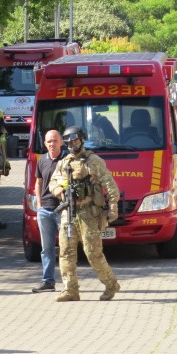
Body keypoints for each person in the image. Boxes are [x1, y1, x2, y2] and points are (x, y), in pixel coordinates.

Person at [49, 126, 121, 302]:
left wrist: (113, 208)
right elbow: (52, 183)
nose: (72, 145)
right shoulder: (64, 162)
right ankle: (70, 290)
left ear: (81, 140)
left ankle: (111, 284)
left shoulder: (93, 161)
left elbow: (110, 185)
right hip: (68, 213)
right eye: (69, 142)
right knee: (66, 252)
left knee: (92, 253)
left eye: (75, 141)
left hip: (88, 213)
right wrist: (60, 192)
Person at [31, 129, 66, 293]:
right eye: (49, 141)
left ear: (61, 142)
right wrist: (39, 204)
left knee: (67, 248)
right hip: (44, 210)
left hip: (62, 210)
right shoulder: (42, 160)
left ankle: (69, 284)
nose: (52, 144)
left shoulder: (67, 160)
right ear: (45, 143)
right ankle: (48, 282)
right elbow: (38, 183)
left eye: (55, 140)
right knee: (47, 249)